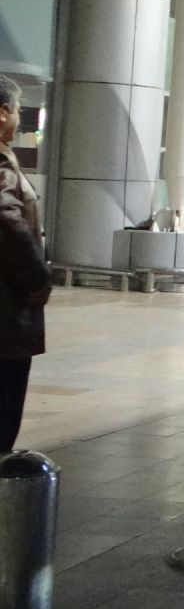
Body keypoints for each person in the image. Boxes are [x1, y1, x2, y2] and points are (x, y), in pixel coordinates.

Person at [0, 74, 49, 452]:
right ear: (3, 114)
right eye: (17, 110)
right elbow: (6, 218)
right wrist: (37, 278)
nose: (19, 119)